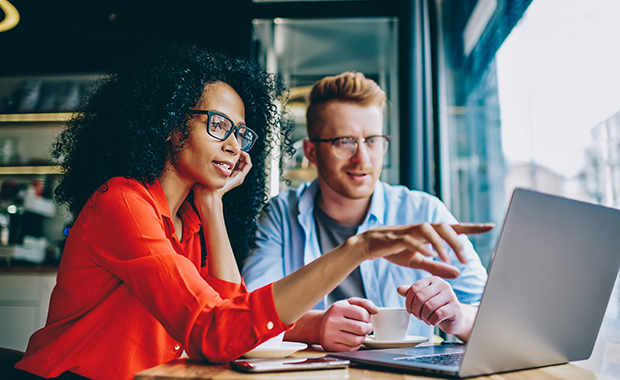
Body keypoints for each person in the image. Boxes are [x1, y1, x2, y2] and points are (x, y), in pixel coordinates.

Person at [13, 45, 491, 380]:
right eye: (218, 124)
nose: (232, 145)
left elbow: (230, 320)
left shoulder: (191, 220)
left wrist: (213, 203)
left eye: (240, 133)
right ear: (168, 124)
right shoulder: (123, 203)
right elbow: (215, 331)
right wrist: (358, 249)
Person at [242, 72, 492, 352]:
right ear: (311, 152)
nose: (362, 158)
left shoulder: (424, 211)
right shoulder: (281, 214)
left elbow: (493, 314)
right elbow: (248, 314)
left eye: (372, 140)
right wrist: (316, 326)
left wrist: (458, 317)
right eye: (344, 142)